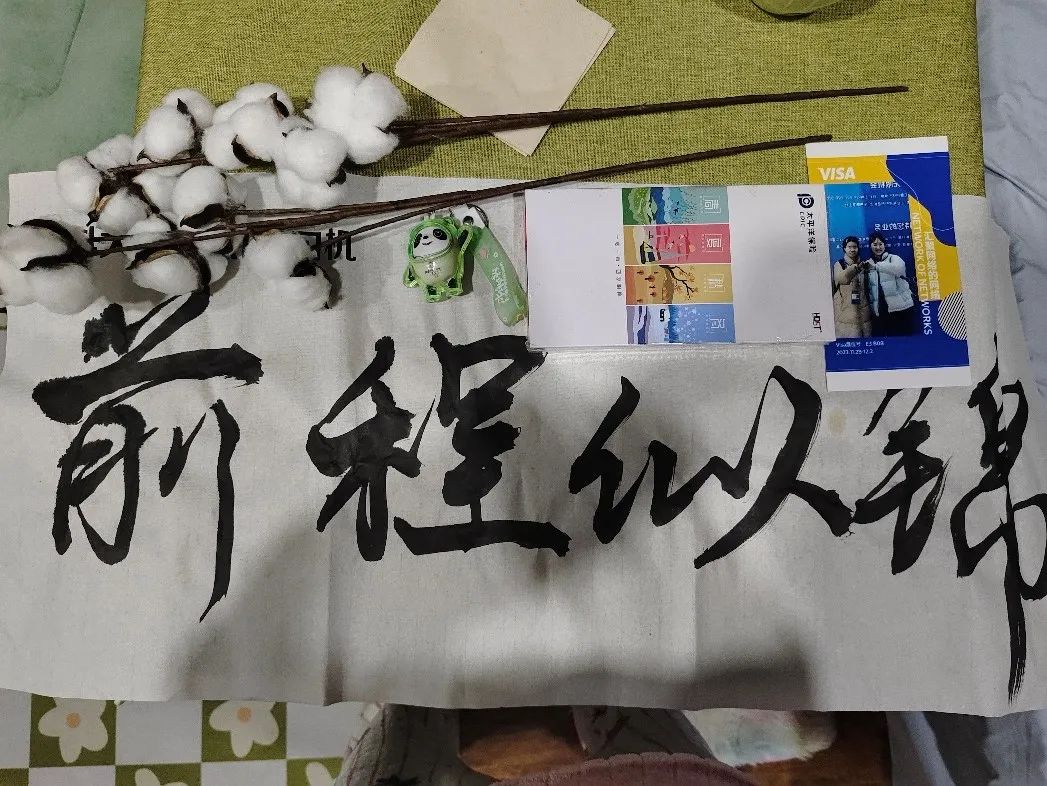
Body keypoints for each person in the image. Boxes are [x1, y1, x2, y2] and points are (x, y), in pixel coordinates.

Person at [865, 231, 916, 336]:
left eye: (880, 244)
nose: (878, 247)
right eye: (875, 244)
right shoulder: (868, 264)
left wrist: (876, 266)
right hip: (882, 311)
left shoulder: (894, 258)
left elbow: (899, 269)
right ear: (870, 246)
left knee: (904, 340)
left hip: (902, 308)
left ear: (885, 245)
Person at [831, 236, 872, 337]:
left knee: (864, 339)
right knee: (850, 338)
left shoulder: (864, 264)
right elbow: (842, 279)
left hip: (863, 309)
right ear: (844, 248)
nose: (852, 249)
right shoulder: (839, 264)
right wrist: (855, 268)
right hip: (845, 310)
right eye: (849, 247)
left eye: (855, 247)